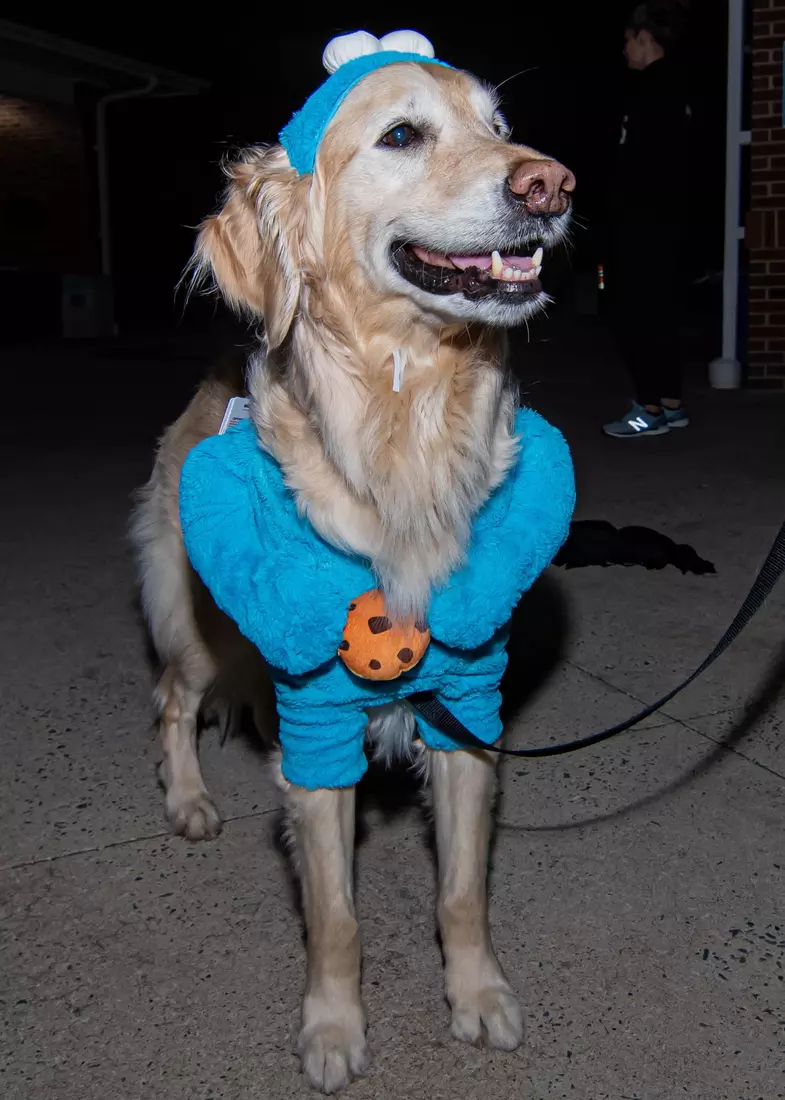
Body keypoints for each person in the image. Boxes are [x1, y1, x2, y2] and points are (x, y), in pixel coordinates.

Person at [603, 1, 692, 439]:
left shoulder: (654, 91)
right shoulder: (677, 87)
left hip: (646, 222)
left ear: (644, 37)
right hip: (667, 223)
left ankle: (649, 409)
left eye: (628, 41)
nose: (626, 51)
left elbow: (646, 164)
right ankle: (671, 404)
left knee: (637, 313)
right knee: (662, 311)